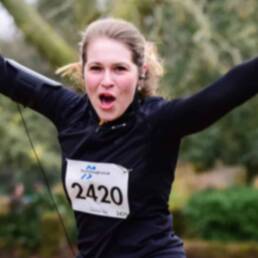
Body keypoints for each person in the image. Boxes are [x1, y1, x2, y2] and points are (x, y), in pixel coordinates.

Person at [0, 17, 258, 258]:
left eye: (120, 69)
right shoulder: (69, 112)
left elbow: (228, 89)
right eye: (96, 68)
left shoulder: (158, 122)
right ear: (83, 70)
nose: (107, 81)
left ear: (141, 73)